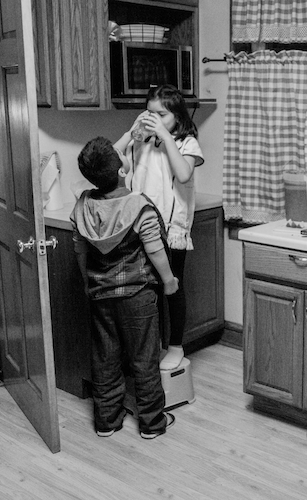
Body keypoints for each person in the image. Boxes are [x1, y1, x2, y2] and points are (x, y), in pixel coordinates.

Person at [71, 136, 179, 439]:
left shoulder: (83, 205)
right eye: (120, 153)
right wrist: (169, 281)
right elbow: (155, 250)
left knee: (105, 358)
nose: (124, 152)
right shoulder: (138, 205)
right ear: (121, 171)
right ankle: (152, 423)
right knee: (144, 358)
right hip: (137, 295)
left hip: (100, 294)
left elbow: (80, 251)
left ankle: (107, 421)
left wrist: (86, 281)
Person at [115, 84, 204, 371]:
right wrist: (132, 132)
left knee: (172, 285)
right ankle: (151, 347)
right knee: (147, 290)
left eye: (161, 114)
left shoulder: (186, 143)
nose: (154, 119)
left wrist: (165, 136)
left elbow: (183, 172)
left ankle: (176, 345)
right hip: (140, 225)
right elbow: (113, 159)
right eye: (150, 112)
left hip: (171, 227)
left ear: (177, 116)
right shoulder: (141, 141)